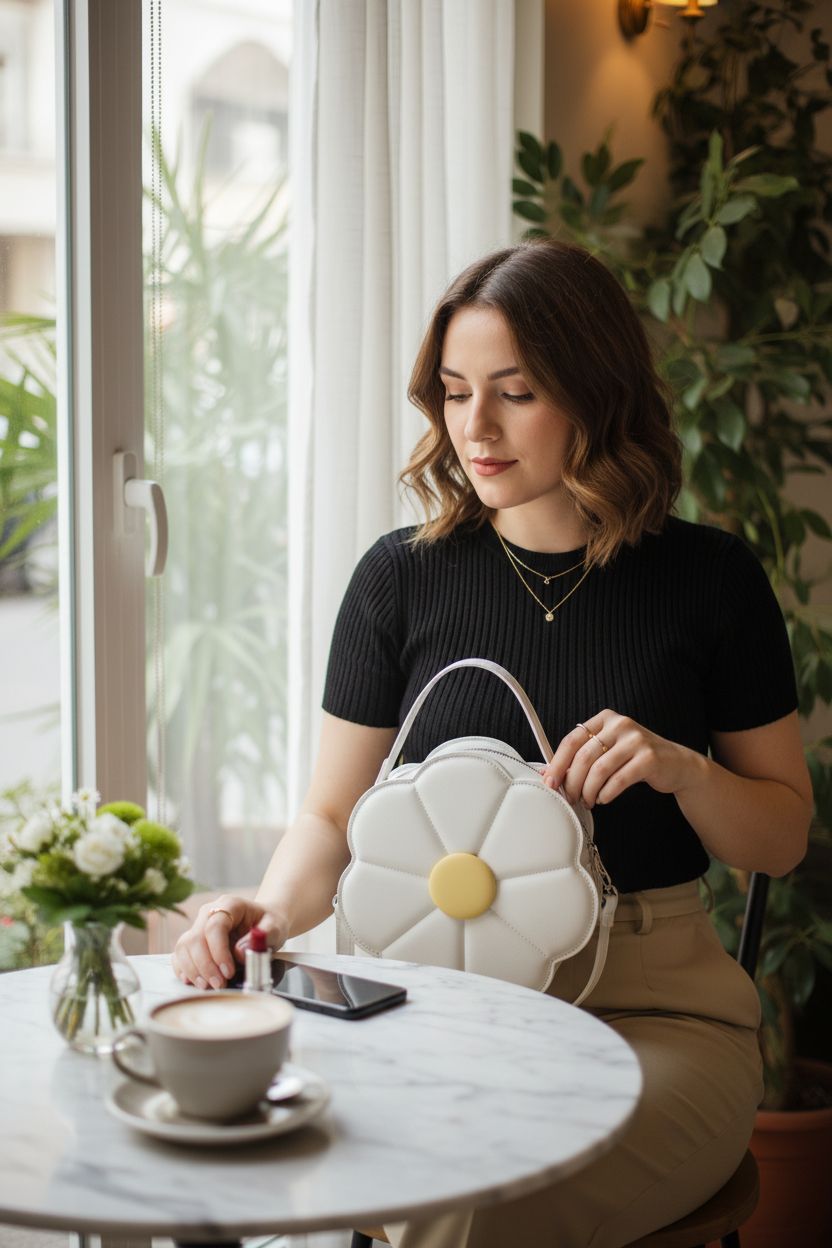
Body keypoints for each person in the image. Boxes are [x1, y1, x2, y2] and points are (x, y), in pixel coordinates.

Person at [172, 239, 812, 1248]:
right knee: (260, 1155)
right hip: (430, 1001)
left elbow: (780, 839)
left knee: (467, 1206)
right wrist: (265, 909)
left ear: (594, 394)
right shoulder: (399, 579)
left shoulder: (710, 581)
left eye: (514, 392)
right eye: (455, 391)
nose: (474, 426)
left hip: (655, 1014)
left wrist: (682, 769)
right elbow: (329, 818)